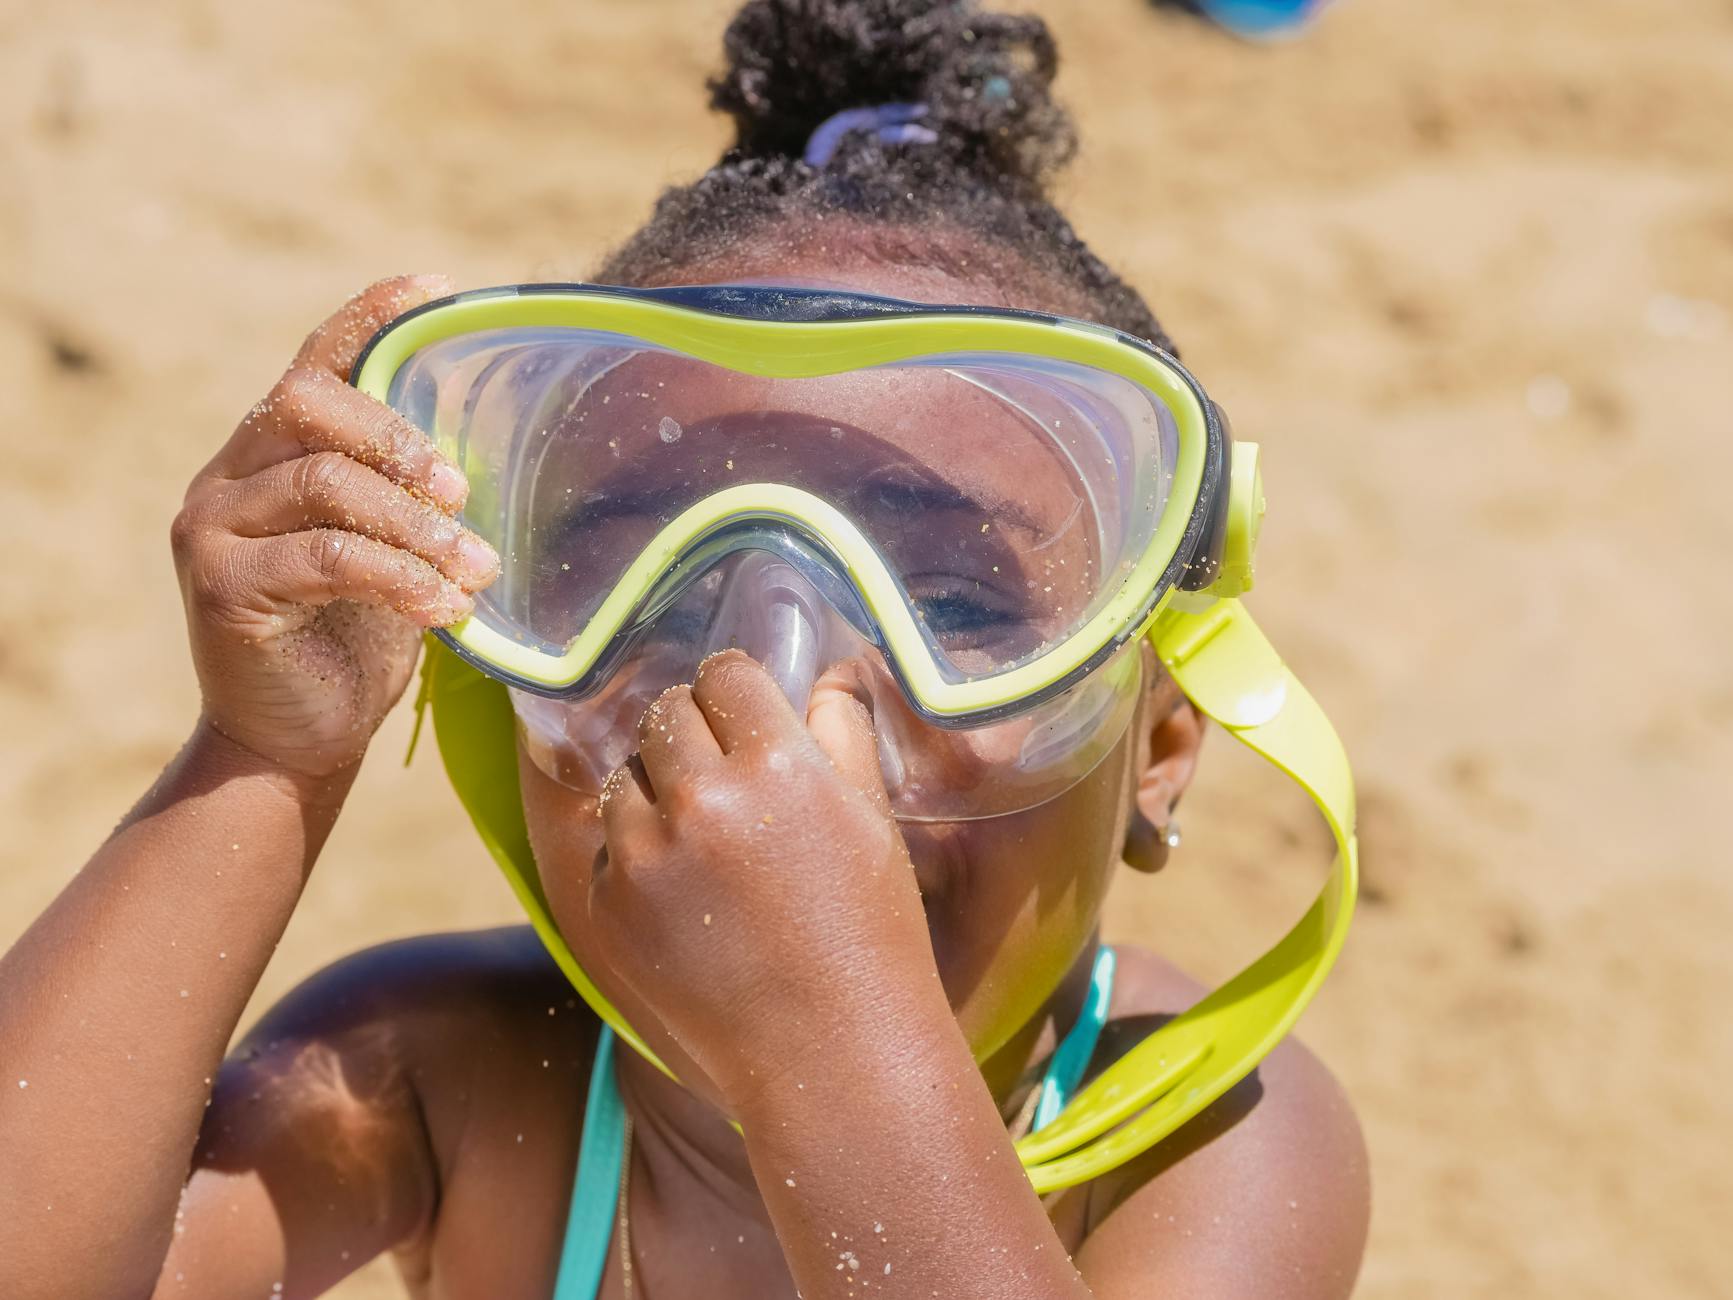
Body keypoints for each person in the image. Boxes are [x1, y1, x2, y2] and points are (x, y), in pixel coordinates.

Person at [0, 2, 1369, 1296]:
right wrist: (263, 756)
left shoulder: (1215, 1140)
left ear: (1164, 748)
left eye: (949, 605)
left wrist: (819, 1036)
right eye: (655, 582)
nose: (767, 682)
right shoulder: (440, 1074)